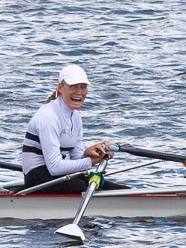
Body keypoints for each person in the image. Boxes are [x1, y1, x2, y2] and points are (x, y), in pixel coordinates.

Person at [18, 64, 114, 194]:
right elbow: (55, 167)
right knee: (88, 188)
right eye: (73, 86)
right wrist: (90, 162)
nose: (79, 92)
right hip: (37, 178)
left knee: (116, 188)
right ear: (60, 88)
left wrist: (91, 154)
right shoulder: (49, 116)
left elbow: (76, 161)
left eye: (83, 87)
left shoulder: (76, 118)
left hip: (55, 176)